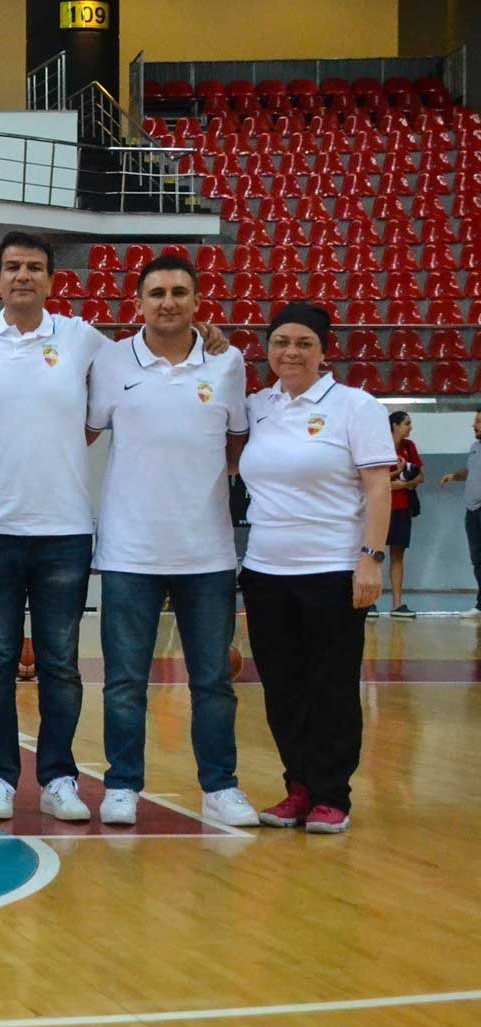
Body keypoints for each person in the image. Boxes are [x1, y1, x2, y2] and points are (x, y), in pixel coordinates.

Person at [84, 254, 259, 828]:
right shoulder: (110, 362)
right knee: (124, 683)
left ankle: (220, 787)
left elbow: (236, 446)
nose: (168, 302)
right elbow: (85, 432)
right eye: (156, 292)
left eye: (179, 292)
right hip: (129, 551)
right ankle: (122, 785)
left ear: (197, 301)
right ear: (137, 303)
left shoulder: (228, 362)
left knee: (213, 682)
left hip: (207, 553)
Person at [0, 230, 105, 824]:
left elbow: (108, 405)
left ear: (53, 280)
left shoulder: (83, 339)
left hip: (64, 529)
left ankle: (60, 778)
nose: (23, 276)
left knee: (61, 661)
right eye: (13, 266)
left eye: (35, 267)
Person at [237, 303, 394, 836]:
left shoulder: (356, 406)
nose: (291, 352)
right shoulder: (258, 407)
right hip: (265, 572)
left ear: (324, 351)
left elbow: (378, 487)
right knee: (282, 687)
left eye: (304, 343)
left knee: (331, 686)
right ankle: (298, 787)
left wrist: (370, 559)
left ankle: (331, 794)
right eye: (281, 342)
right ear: (267, 349)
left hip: (332, 570)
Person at [433, 410, 481, 617]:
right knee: (477, 559)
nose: (474, 425)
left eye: (478, 421)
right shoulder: (475, 447)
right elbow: (472, 472)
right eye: (475, 421)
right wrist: (454, 475)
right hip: (473, 511)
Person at [383, 411, 424, 618]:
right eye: (407, 423)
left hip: (402, 507)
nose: (410, 427)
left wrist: (405, 484)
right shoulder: (379, 445)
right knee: (373, 554)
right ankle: (368, 603)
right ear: (394, 425)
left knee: (398, 554)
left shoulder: (409, 446)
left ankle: (397, 604)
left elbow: (421, 476)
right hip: (380, 507)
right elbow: (372, 478)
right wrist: (395, 477)